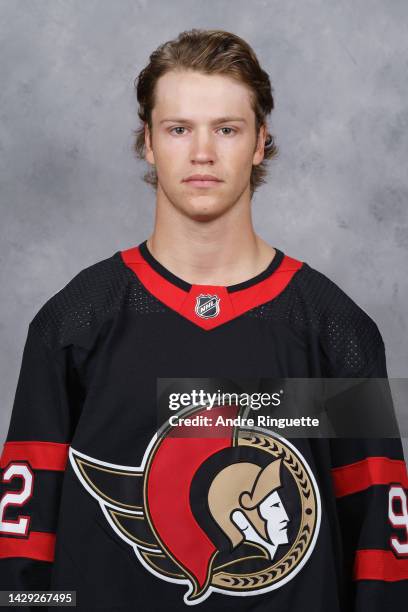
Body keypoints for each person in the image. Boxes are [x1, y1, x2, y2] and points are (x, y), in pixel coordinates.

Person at [1, 28, 407, 611]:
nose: (202, 153)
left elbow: (381, 544)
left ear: (260, 142)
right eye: (178, 129)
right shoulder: (73, 322)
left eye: (226, 129)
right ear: (148, 142)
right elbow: (23, 545)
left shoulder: (337, 330)